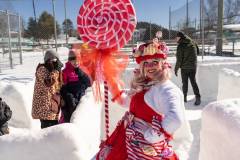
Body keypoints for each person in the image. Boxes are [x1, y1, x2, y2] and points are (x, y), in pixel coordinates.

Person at [94, 39, 184, 160]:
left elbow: (175, 119)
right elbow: (126, 102)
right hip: (127, 139)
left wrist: (151, 136)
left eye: (155, 62)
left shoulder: (166, 88)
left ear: (163, 63)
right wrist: (110, 79)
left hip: (145, 148)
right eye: (146, 63)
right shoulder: (146, 85)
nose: (150, 66)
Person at [32, 49, 63, 129]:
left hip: (52, 105)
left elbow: (59, 85)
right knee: (47, 131)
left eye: (56, 59)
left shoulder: (53, 70)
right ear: (47, 60)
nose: (54, 61)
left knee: (54, 130)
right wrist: (56, 70)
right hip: (44, 107)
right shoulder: (42, 69)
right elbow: (49, 82)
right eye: (52, 59)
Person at [60, 50, 91, 123]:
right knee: (70, 119)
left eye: (77, 60)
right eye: (73, 60)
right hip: (70, 102)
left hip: (80, 99)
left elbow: (88, 83)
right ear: (69, 60)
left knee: (80, 119)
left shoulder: (82, 70)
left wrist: (82, 74)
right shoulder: (65, 72)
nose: (76, 62)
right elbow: (62, 88)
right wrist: (69, 97)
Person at [174, 31, 201, 105]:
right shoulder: (193, 42)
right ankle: (198, 97)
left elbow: (179, 60)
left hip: (185, 68)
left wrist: (176, 69)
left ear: (180, 37)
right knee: (193, 82)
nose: (176, 39)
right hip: (193, 66)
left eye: (177, 37)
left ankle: (184, 97)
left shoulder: (181, 46)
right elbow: (198, 52)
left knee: (185, 83)